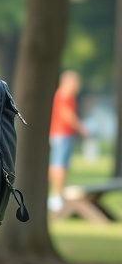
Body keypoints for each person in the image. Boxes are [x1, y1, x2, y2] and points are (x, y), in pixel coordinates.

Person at [48, 69, 88, 213]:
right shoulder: (65, 95)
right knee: (59, 165)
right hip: (61, 134)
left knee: (59, 164)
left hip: (60, 134)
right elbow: (67, 115)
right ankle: (56, 196)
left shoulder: (64, 95)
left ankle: (57, 194)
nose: (78, 85)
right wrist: (81, 128)